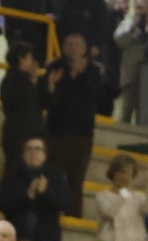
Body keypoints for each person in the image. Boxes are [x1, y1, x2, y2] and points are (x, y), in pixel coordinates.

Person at [0, 135, 71, 241]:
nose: (33, 152)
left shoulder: (56, 177)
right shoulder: (13, 175)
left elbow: (64, 203)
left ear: (45, 154)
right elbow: (2, 203)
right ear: (23, 154)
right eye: (29, 149)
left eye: (38, 149)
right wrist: (28, 195)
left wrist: (45, 192)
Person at [43, 32, 104, 218]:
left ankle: (73, 217)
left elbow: (98, 99)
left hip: (81, 134)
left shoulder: (93, 70)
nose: (73, 48)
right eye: (68, 44)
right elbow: (48, 99)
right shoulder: (55, 67)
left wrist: (80, 74)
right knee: (51, 177)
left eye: (77, 44)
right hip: (56, 132)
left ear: (85, 49)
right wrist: (52, 85)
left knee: (76, 181)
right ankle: (49, 214)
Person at [0, 41, 43, 171]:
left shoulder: (10, 79)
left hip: (19, 131)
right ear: (21, 59)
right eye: (29, 57)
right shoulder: (15, 81)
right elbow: (26, 103)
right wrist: (33, 82)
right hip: (19, 133)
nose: (32, 61)